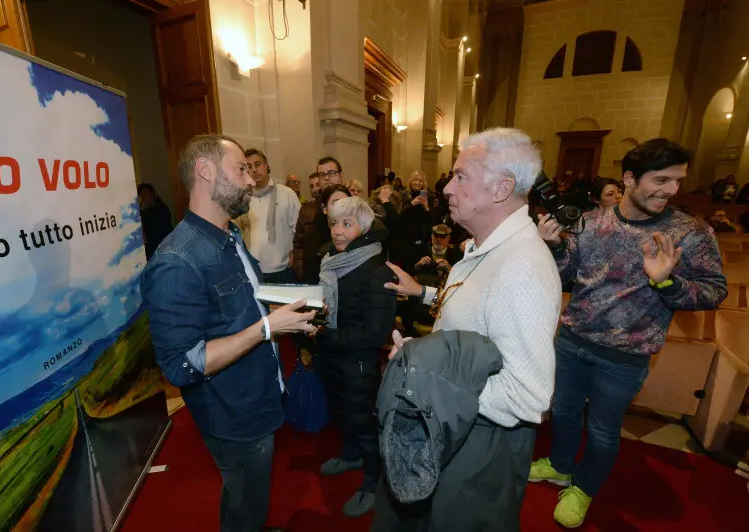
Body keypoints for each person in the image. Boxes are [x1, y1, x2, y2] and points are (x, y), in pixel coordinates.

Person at [531, 138, 728, 528]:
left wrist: (666, 284)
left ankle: (583, 488)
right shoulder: (590, 221)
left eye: (677, 181)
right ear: (629, 179)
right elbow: (567, 277)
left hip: (625, 356)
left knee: (603, 430)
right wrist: (552, 248)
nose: (670, 190)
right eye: (661, 180)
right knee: (565, 413)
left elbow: (714, 290)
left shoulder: (689, 232)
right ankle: (559, 465)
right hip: (573, 341)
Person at [374, 128, 561, 531]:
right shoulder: (482, 246)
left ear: (501, 188)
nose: (447, 189)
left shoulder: (523, 269)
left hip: (481, 443)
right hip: (458, 428)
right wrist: (423, 294)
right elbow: (475, 308)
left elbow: (528, 396)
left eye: (460, 177)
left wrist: (424, 381)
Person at [141, 134, 317, 532]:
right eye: (239, 169)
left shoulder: (230, 237)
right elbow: (183, 365)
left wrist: (283, 313)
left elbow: (243, 309)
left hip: (258, 394)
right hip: (233, 414)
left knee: (251, 497)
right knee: (243, 505)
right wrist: (268, 327)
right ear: (206, 171)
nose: (250, 180)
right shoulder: (176, 261)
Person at [311, 196, 397, 517]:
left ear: (364, 229)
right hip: (334, 358)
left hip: (358, 365)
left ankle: (372, 484)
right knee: (341, 415)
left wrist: (327, 336)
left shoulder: (376, 271)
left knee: (363, 425)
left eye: (346, 224)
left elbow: (376, 334)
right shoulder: (332, 261)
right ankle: (350, 457)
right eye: (334, 223)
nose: (337, 231)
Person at [234, 148, 301, 283]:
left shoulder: (287, 194)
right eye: (249, 167)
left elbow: (299, 232)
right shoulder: (242, 198)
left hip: (282, 271)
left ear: (266, 166)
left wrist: (295, 256)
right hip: (252, 272)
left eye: (257, 164)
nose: (254, 170)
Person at [137, 183, 173, 259]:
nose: (145, 196)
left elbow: (166, 223)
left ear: (152, 193)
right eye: (141, 194)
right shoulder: (140, 211)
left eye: (146, 192)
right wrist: (142, 212)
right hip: (151, 248)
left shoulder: (162, 207)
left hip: (166, 243)